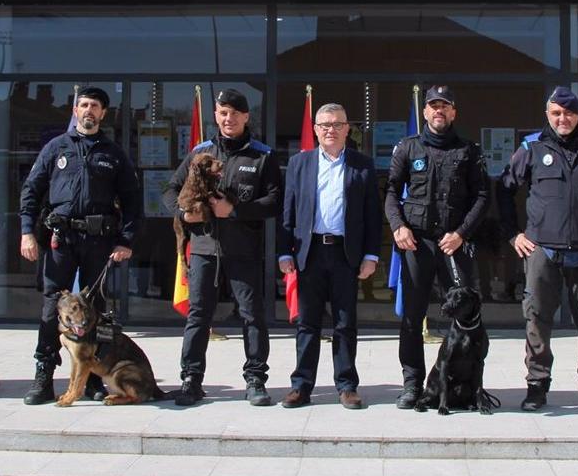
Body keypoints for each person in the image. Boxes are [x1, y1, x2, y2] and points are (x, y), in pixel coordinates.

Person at [495, 86, 578, 411]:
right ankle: (537, 386)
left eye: (568, 112)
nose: (562, 119)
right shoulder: (532, 147)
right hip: (542, 251)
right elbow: (504, 190)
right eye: (556, 113)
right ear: (547, 115)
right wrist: (514, 235)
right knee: (537, 320)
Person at [18, 86, 142, 406]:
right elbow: (31, 191)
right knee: (51, 309)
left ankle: (93, 381)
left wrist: (125, 240)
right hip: (61, 240)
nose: (88, 110)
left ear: (103, 113)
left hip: (99, 241)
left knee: (94, 311)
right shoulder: (55, 148)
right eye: (83, 105)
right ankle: (44, 375)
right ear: (75, 110)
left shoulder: (113, 154)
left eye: (95, 106)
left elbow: (132, 200)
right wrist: (26, 233)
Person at [164, 88, 283, 407]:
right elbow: (171, 190)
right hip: (204, 249)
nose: (227, 118)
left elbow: (275, 202)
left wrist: (235, 211)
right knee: (198, 315)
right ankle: (191, 379)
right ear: (215, 116)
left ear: (246, 116)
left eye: (233, 112)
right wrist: (182, 211)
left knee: (252, 315)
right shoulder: (200, 152)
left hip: (244, 250)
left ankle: (256, 379)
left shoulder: (263, 155)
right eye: (221, 113)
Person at [385, 84, 490, 409]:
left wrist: (461, 233)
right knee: (412, 319)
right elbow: (390, 192)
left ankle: (471, 387)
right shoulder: (407, 147)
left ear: (454, 111)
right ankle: (413, 384)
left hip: (453, 245)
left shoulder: (469, 151)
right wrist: (398, 226)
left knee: (466, 319)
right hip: (417, 244)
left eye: (444, 105)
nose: (438, 111)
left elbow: (483, 197)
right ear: (425, 111)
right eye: (433, 106)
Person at [277, 103, 382, 409]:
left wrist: (371, 255)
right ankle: (301, 386)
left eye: (337, 124)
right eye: (324, 125)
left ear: (348, 129)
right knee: (307, 323)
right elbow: (288, 211)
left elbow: (372, 215)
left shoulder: (362, 165)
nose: (330, 130)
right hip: (309, 252)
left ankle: (347, 386)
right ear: (316, 131)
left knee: (345, 323)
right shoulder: (300, 163)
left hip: (345, 254)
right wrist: (285, 251)